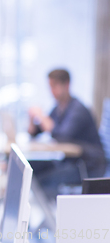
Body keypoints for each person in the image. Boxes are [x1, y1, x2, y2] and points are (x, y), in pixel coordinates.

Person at [28, 69, 106, 199]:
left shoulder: (78, 109)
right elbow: (35, 133)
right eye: (50, 86)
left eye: (54, 86)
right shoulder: (59, 108)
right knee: (32, 169)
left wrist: (40, 116)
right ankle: (47, 214)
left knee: (44, 181)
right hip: (69, 161)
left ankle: (52, 217)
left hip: (87, 166)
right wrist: (31, 118)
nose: (51, 91)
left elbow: (62, 135)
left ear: (67, 85)